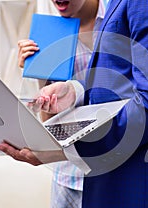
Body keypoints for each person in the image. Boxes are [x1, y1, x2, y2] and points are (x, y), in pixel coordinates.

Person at [0, 0, 148, 207]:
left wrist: (58, 150)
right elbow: (126, 76)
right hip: (121, 180)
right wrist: (75, 91)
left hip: (147, 184)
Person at [15, 0, 106, 207]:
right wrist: (39, 71)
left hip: (115, 165)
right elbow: (50, 121)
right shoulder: (49, 34)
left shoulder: (119, 15)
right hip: (68, 175)